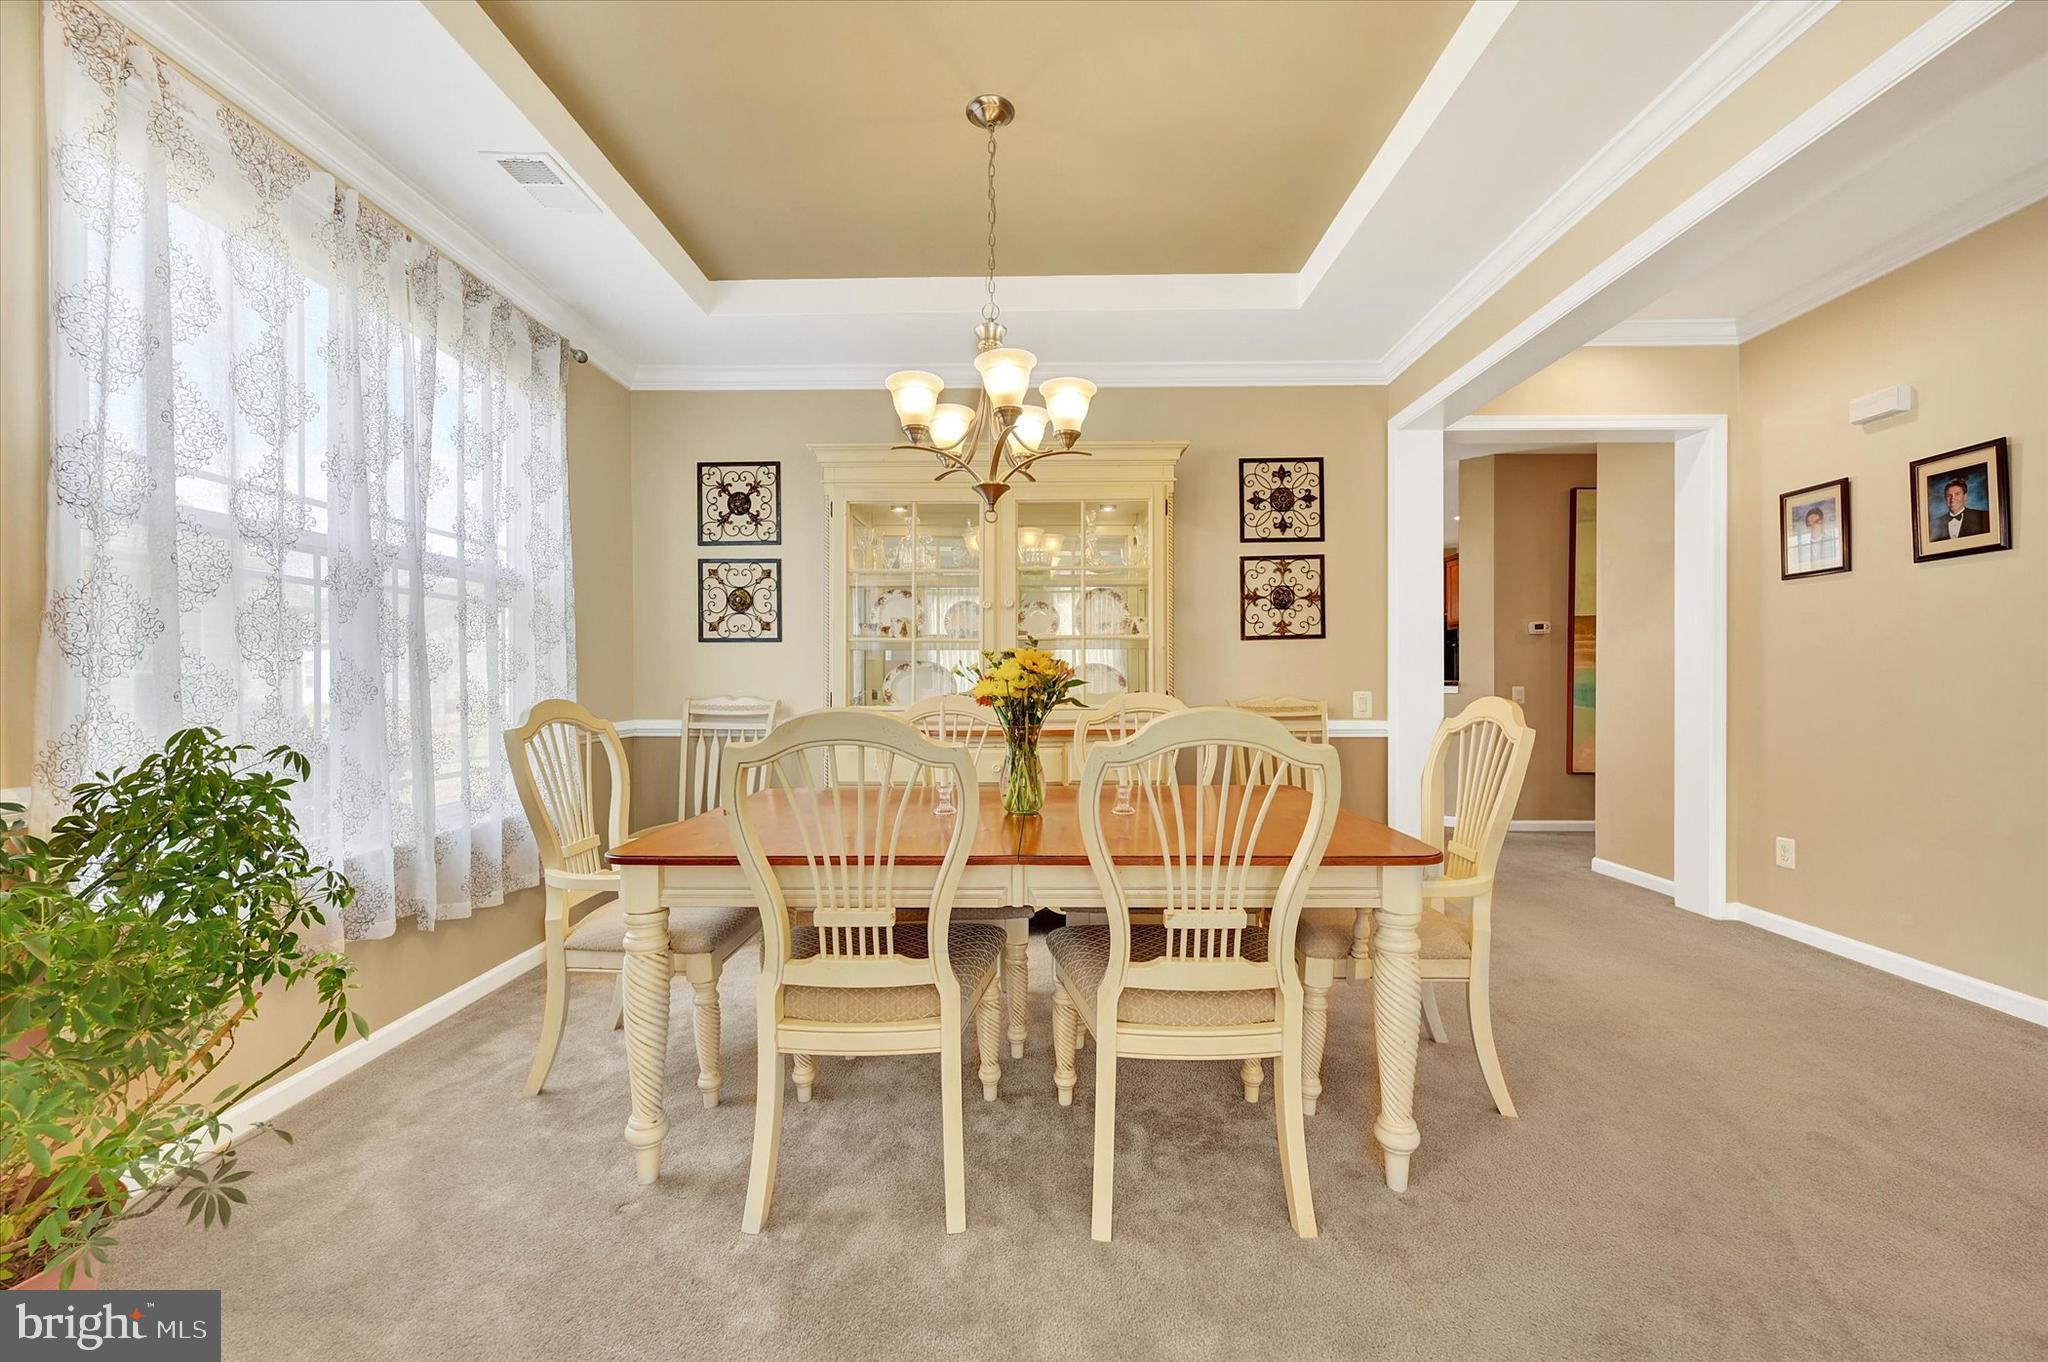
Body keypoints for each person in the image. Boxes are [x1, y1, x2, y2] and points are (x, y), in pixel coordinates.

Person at [1932, 475, 1989, 540]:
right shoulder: (1935, 523)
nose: (1952, 499)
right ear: (1945, 498)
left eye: (1957, 494)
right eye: (1949, 495)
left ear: (1965, 496)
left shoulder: (1983, 517)